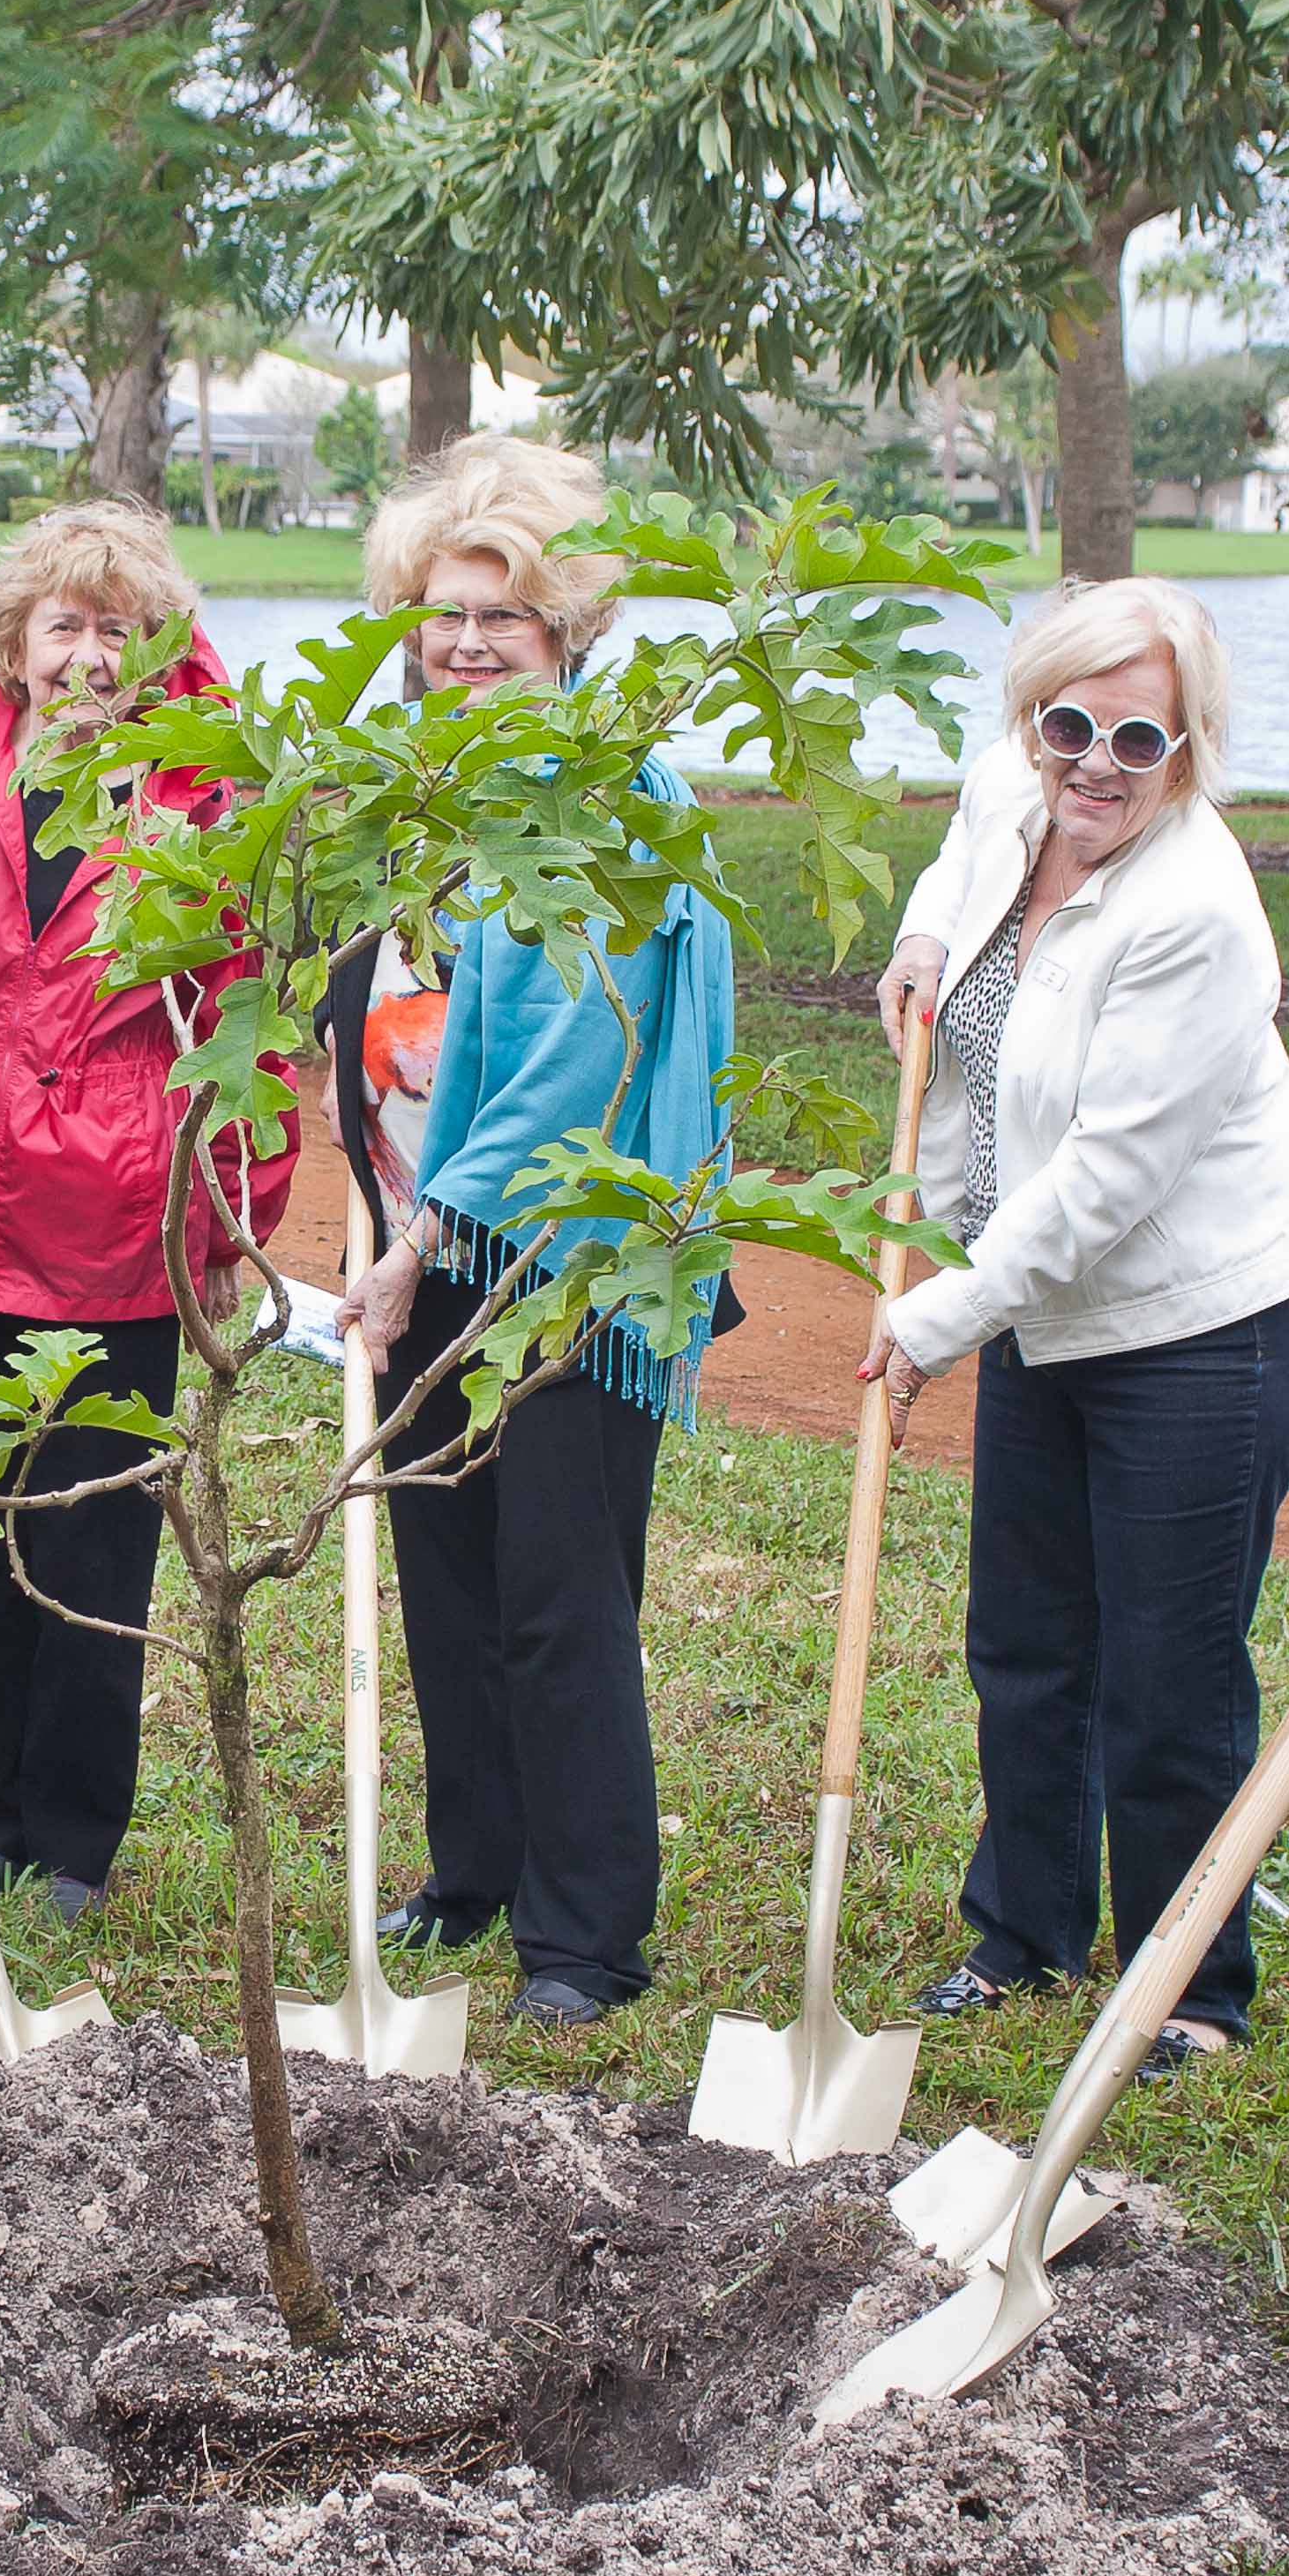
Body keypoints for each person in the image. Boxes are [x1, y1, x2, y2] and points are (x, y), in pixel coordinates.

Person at [858, 579, 1289, 2056]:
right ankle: (1025, 1933)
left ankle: (1190, 1988)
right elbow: (961, 852)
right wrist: (926, 942)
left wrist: (948, 1310)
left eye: (1140, 740)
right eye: (1067, 725)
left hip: (1194, 1326)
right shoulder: (1020, 783)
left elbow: (1107, 1180)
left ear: (1184, 753)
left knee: (1165, 1670)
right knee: (1024, 1635)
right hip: (1043, 1312)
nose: (1094, 764)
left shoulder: (1194, 914)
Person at [0, 500, 289, 1921]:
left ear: (160, 653)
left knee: (89, 1534)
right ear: (14, 643)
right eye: (63, 626)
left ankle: (73, 1844)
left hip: (115, 1217)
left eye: (120, 632)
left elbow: (250, 1031)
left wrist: (231, 1224)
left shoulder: (211, 797)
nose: (87, 657)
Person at [330, 437, 726, 2027]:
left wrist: (414, 1244)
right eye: (444, 613)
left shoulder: (607, 809)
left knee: (560, 1599)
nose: (471, 640)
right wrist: (379, 1225)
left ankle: (582, 1936)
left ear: (568, 627)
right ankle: (473, 1870)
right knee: (446, 1579)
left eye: (504, 612)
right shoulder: (418, 806)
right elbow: (372, 1037)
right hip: (421, 1244)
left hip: (567, 1269)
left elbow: (565, 1072)